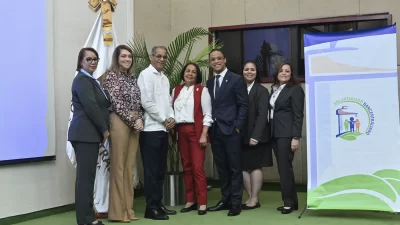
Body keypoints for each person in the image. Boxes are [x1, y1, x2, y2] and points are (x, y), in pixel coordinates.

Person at [68, 47, 110, 225]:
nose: (93, 62)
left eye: (96, 59)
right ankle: (86, 220)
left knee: (88, 177)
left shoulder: (90, 80)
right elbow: (91, 107)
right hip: (85, 135)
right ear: (81, 62)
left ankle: (87, 217)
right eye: (89, 59)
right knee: (86, 179)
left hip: (89, 135)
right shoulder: (83, 80)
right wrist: (104, 130)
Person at [103, 45, 143, 222]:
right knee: (118, 167)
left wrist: (140, 118)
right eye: (123, 56)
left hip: (135, 122)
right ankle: (118, 212)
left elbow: (138, 102)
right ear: (116, 58)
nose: (127, 59)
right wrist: (133, 120)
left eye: (129, 56)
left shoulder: (132, 78)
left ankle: (128, 208)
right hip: (119, 121)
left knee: (129, 167)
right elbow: (116, 102)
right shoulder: (111, 76)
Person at [206, 49, 248, 217]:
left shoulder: (237, 79)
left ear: (225, 60)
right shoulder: (209, 83)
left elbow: (244, 105)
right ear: (210, 62)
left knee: (234, 168)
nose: (216, 61)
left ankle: (236, 203)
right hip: (215, 132)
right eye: (212, 59)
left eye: (219, 58)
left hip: (231, 131)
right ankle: (225, 199)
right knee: (222, 168)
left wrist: (237, 126)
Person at [137, 46, 177, 220]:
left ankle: (159, 204)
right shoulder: (145, 75)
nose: (161, 59)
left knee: (160, 170)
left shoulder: (165, 78)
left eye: (164, 57)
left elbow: (169, 102)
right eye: (158, 56)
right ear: (151, 57)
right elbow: (145, 101)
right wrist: (163, 119)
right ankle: (150, 208)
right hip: (150, 130)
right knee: (151, 171)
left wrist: (171, 118)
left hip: (162, 129)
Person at [171, 63, 213, 215]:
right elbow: (171, 111)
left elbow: (208, 114)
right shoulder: (175, 90)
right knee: (186, 167)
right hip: (180, 131)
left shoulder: (202, 90)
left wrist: (204, 134)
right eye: (188, 71)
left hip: (196, 131)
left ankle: (202, 202)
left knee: (197, 168)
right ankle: (190, 200)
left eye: (194, 72)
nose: (190, 74)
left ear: (197, 75)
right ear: (183, 73)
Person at [269, 62, 304, 214]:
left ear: (291, 74)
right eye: (281, 70)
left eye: (287, 71)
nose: (284, 73)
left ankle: (288, 203)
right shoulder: (275, 89)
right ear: (277, 73)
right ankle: (293, 201)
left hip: (286, 135)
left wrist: (295, 137)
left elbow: (298, 115)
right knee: (285, 169)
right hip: (274, 134)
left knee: (285, 170)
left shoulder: (295, 90)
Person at [241, 60, 273, 210]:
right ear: (242, 72)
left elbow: (262, 116)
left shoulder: (261, 91)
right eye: (246, 69)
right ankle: (250, 197)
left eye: (252, 69)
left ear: (256, 72)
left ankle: (254, 199)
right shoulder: (239, 89)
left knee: (255, 167)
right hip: (240, 136)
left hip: (257, 136)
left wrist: (255, 136)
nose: (249, 72)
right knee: (242, 167)